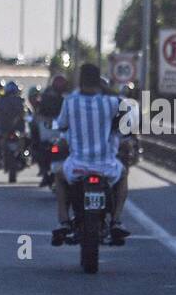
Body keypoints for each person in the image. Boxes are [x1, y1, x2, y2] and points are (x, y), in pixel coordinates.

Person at [51, 62, 130, 246]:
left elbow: (62, 125)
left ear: (80, 79)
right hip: (106, 166)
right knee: (124, 175)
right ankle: (116, 220)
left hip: (78, 165)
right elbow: (124, 125)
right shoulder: (111, 102)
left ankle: (63, 221)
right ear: (98, 81)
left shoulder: (70, 101)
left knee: (59, 176)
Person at [0, 80, 28, 170]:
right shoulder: (16, 100)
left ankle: (21, 156)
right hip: (6, 129)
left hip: (13, 130)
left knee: (26, 139)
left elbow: (26, 113)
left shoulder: (18, 101)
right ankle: (0, 159)